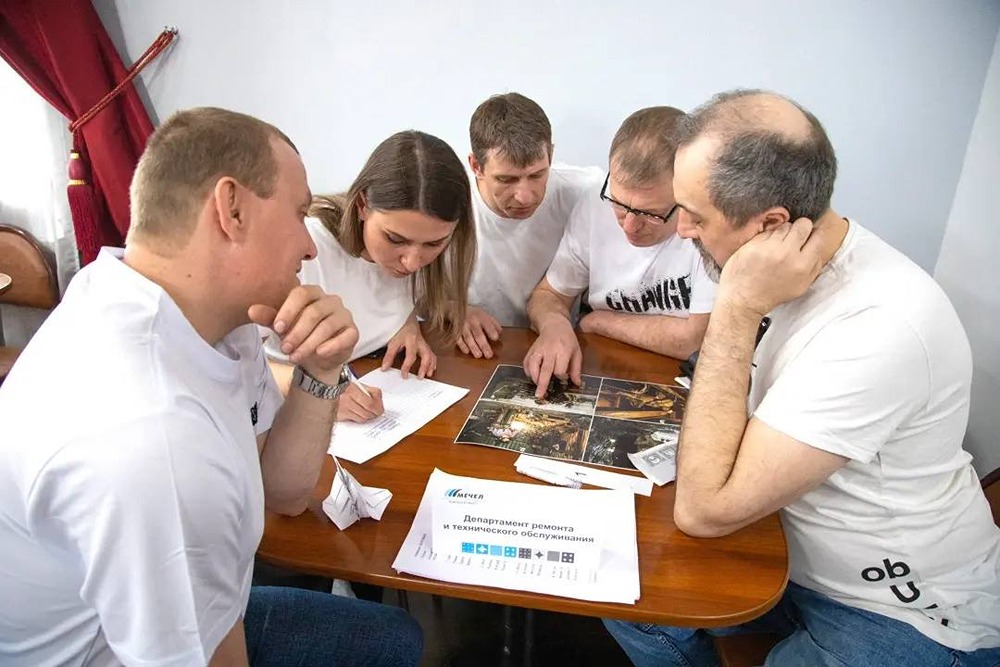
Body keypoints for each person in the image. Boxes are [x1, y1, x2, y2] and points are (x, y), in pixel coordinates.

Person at [0, 107, 423, 666]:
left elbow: (284, 493)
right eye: (299, 214)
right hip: (111, 654)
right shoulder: (155, 436)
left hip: (196, 613)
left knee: (395, 637)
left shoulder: (189, 310)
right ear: (232, 209)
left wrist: (321, 372)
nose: (309, 246)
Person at [604, 90, 1000, 666]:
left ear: (770, 224)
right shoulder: (784, 260)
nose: (682, 229)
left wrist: (735, 308)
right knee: (616, 582)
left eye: (696, 215)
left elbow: (704, 510)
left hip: (902, 609)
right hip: (789, 553)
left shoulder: (880, 324)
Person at [265, 130, 476, 423]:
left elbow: (384, 294)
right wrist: (316, 391)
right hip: (283, 413)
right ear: (363, 206)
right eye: (395, 239)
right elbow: (237, 364)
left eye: (434, 244)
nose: (413, 263)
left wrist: (406, 322)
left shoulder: (417, 255)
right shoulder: (306, 250)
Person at [524, 107, 716, 398]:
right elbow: (549, 294)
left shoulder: (711, 227)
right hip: (605, 369)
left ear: (688, 196)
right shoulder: (593, 204)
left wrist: (598, 321)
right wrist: (554, 325)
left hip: (678, 379)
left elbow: (696, 339)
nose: (629, 226)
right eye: (619, 204)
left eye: (651, 214)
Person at [460, 92, 603, 357]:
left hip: (558, 344)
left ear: (551, 154)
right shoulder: (447, 202)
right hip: (476, 350)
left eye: (537, 175)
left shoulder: (588, 192)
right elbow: (411, 288)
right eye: (506, 179)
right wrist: (453, 311)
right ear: (475, 166)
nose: (525, 196)